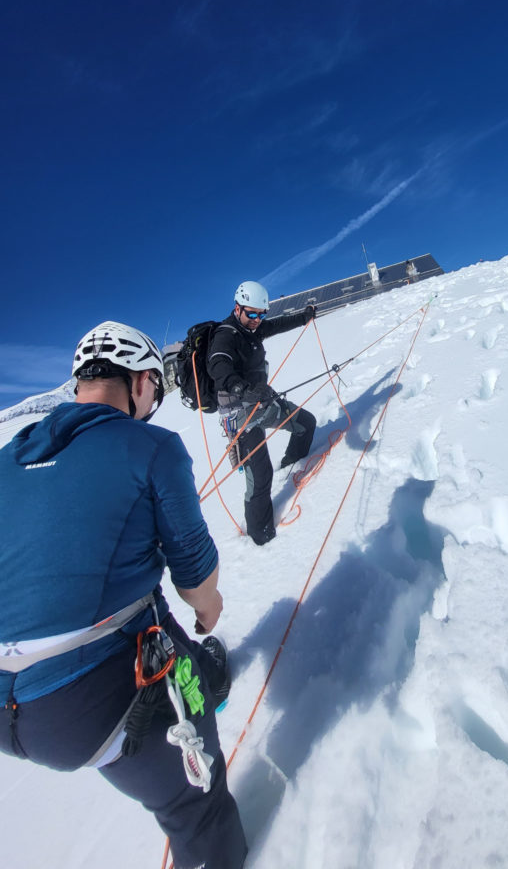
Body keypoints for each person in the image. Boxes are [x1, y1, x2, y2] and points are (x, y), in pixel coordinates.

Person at [0, 321, 247, 869]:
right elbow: (195, 578)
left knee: (145, 605)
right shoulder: (151, 445)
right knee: (196, 806)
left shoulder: (6, 460)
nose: (153, 406)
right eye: (154, 393)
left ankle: (198, 671)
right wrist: (210, 609)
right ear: (138, 382)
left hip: (6, 704)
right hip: (89, 704)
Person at [208, 281, 317, 545]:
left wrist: (305, 317)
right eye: (252, 313)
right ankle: (261, 536)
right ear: (237, 308)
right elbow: (217, 364)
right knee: (260, 477)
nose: (257, 320)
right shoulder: (227, 334)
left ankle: (292, 466)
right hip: (240, 415)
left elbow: (278, 324)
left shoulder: (253, 329)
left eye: (261, 314)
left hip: (262, 403)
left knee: (306, 423)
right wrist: (241, 388)